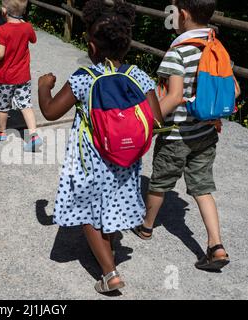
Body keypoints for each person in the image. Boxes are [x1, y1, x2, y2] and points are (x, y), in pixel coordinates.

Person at [38, 0, 162, 293]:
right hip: (125, 161)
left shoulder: (84, 78)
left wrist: (44, 85)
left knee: (88, 214)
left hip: (90, 162)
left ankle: (109, 273)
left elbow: (50, 112)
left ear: (92, 49)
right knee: (112, 204)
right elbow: (155, 120)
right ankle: (110, 251)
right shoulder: (138, 76)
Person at [133, 0, 240, 271]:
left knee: (160, 181)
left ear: (182, 15)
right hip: (206, 132)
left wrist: (147, 121)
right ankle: (216, 245)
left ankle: (146, 227)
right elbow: (235, 90)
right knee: (202, 187)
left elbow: (173, 96)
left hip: (176, 135)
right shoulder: (217, 46)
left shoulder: (178, 53)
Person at [0, 0, 42, 152]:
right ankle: (34, 135)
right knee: (26, 105)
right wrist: (23, 21)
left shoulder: (2, 30)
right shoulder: (27, 27)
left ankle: (1, 133)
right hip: (23, 76)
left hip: (6, 78)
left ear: (3, 11)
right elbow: (34, 40)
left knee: (3, 106)